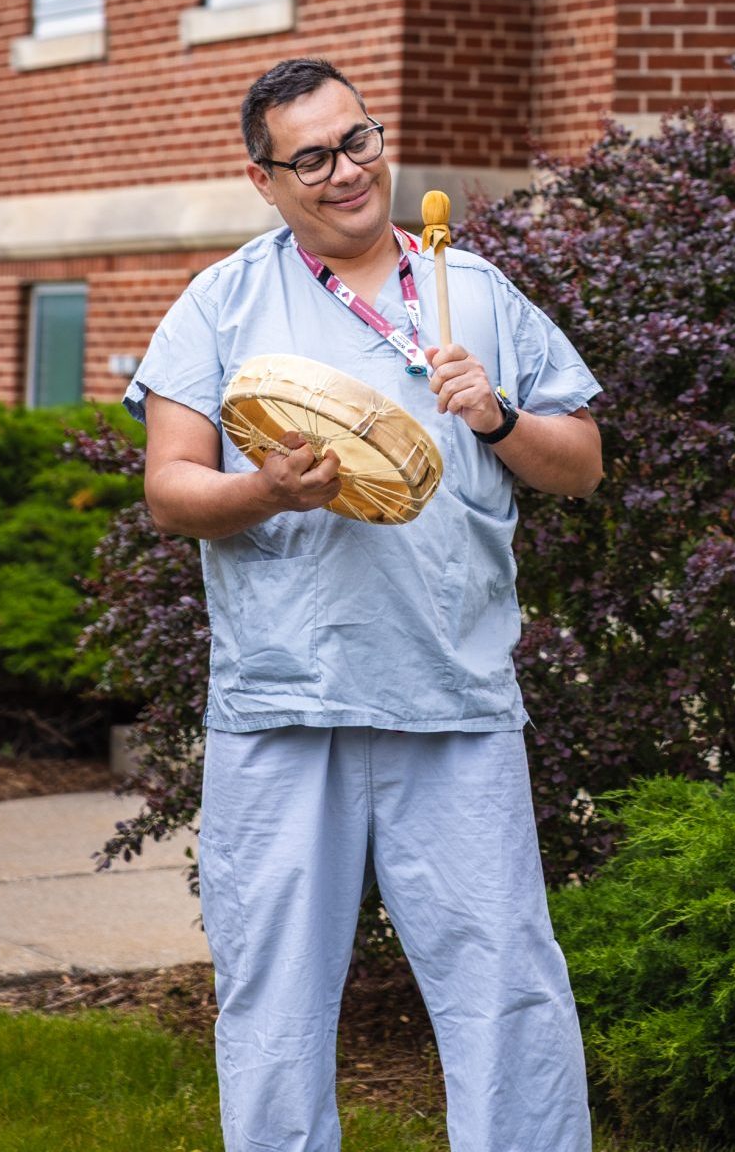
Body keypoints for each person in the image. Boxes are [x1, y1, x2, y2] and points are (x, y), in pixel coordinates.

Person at [125, 57, 602, 1151]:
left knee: (507, 992)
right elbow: (170, 487)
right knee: (276, 1000)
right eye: (312, 157)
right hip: (285, 700)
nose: (346, 172)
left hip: (456, 692)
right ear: (265, 177)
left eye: (358, 140)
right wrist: (266, 490)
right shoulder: (223, 300)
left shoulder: (473, 290)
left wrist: (494, 419)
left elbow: (579, 462)